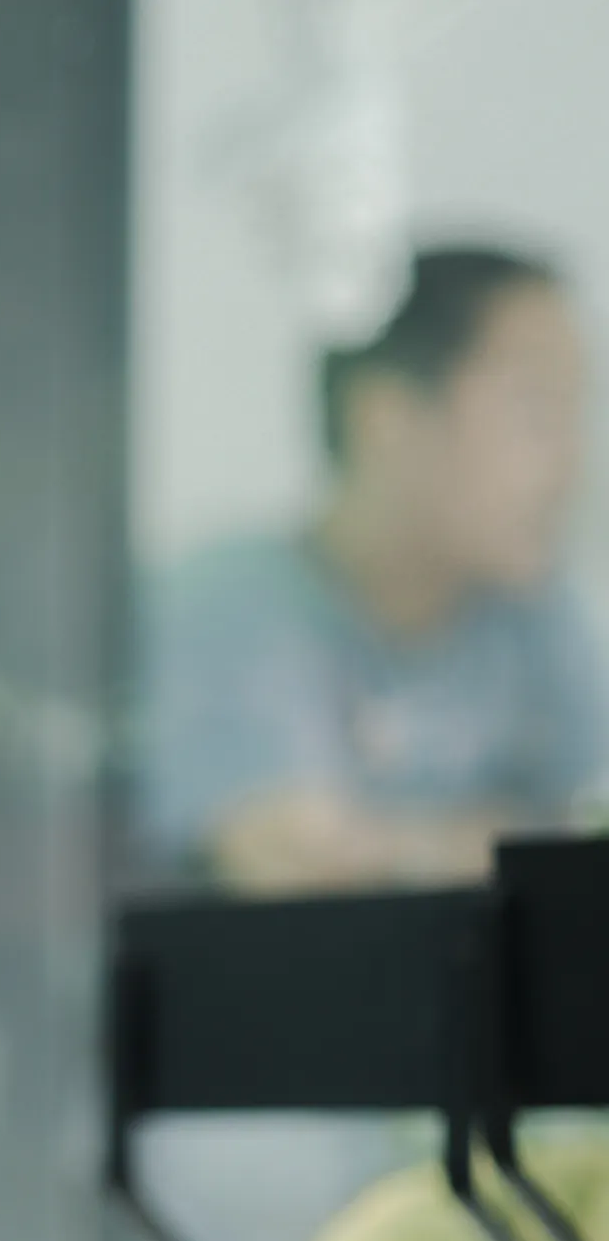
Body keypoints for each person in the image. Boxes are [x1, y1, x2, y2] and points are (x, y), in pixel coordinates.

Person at [142, 246, 600, 894]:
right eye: (535, 413)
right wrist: (516, 837)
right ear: (385, 419)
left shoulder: (537, 613)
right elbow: (295, 869)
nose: (574, 468)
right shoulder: (226, 605)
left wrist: (397, 842)